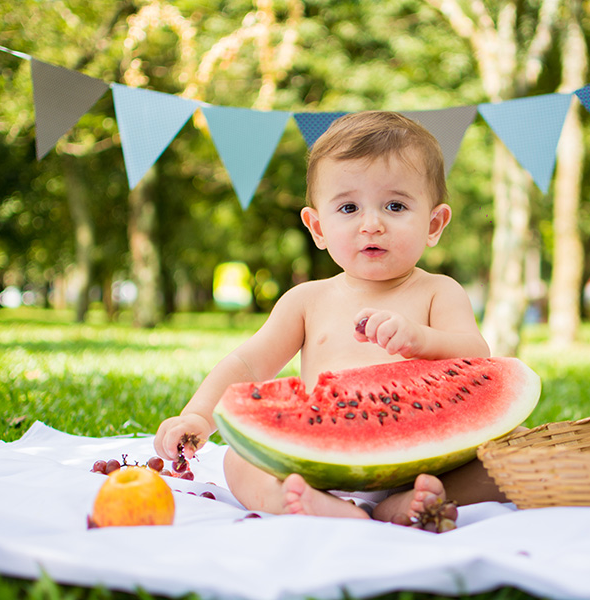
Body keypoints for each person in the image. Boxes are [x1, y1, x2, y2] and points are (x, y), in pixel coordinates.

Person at [153, 111, 508, 527]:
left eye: (395, 205)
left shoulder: (439, 291)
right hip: (315, 461)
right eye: (349, 207)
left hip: (423, 454)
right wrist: (198, 415)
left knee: (502, 461)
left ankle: (404, 504)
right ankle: (298, 500)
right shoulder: (306, 300)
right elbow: (248, 365)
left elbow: (477, 358)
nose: (371, 224)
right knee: (238, 461)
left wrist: (422, 340)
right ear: (317, 227)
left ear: (434, 224)